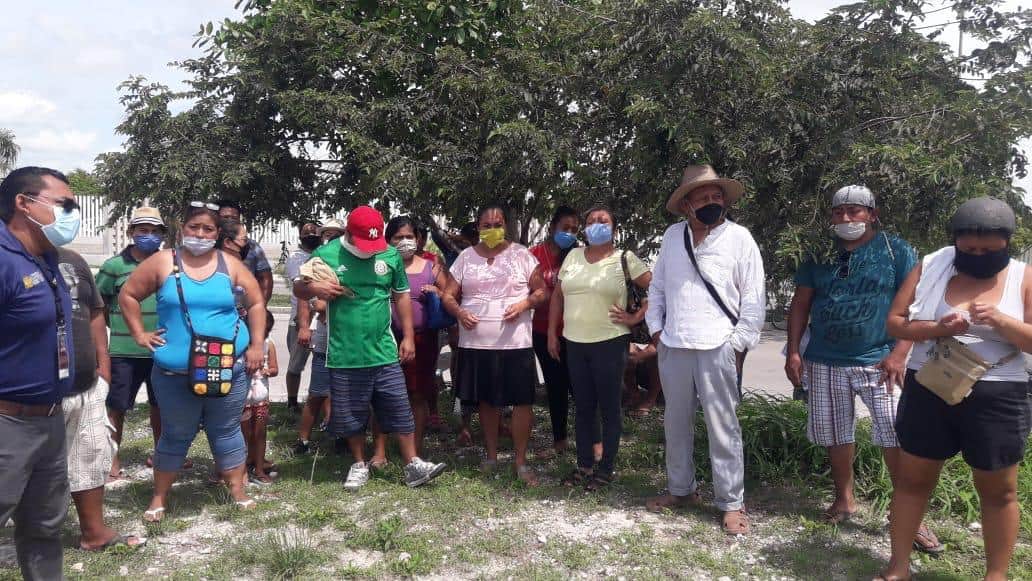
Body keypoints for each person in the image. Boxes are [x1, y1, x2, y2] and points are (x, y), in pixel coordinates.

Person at [879, 197, 1031, 581]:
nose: (977, 255)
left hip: (998, 393)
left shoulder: (1022, 277)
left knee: (998, 491)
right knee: (913, 480)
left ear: (1007, 243)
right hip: (930, 385)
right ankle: (898, 567)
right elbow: (896, 324)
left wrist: (999, 320)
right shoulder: (932, 266)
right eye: (969, 248)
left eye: (988, 250)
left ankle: (995, 575)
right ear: (956, 240)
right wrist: (939, 328)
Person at [784, 186, 942, 552]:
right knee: (835, 435)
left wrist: (901, 352)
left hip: (880, 361)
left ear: (872, 213)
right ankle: (844, 499)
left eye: (854, 211)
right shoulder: (819, 253)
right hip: (824, 359)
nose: (845, 219)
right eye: (838, 213)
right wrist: (794, 351)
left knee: (896, 434)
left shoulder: (895, 250)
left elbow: (917, 304)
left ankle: (908, 514)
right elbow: (800, 303)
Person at [119, 201, 266, 521]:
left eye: (208, 229)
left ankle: (238, 491)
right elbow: (128, 295)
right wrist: (140, 334)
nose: (200, 234)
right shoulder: (161, 262)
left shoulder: (230, 264)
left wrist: (257, 345)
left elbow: (256, 303)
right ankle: (158, 498)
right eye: (193, 227)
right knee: (175, 433)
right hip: (174, 373)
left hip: (227, 366)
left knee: (226, 430)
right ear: (181, 228)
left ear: (217, 233)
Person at [645, 165, 765, 535]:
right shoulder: (671, 237)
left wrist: (739, 342)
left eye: (717, 196)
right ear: (686, 206)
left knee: (722, 426)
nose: (713, 202)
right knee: (675, 424)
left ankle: (731, 502)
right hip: (675, 344)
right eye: (703, 197)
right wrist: (656, 330)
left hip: (718, 345)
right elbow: (658, 287)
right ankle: (681, 490)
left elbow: (753, 295)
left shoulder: (740, 238)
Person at [294, 205, 446, 490]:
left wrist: (409, 337)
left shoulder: (389, 255)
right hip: (344, 353)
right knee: (351, 414)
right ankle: (359, 464)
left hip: (383, 350)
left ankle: (413, 464)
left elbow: (401, 296)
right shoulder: (326, 255)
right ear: (349, 234)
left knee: (399, 407)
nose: (370, 249)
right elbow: (299, 288)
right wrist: (317, 289)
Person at [0, 167, 78, 579]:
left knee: (45, 527)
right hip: (7, 421)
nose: (72, 213)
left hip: (48, 419)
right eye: (64, 204)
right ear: (24, 204)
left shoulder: (46, 258)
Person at [548, 205, 651, 490]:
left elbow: (658, 288)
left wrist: (635, 317)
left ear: (614, 229)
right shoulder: (573, 256)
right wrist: (552, 335)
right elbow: (557, 296)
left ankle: (605, 469)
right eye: (591, 220)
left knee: (609, 408)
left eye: (603, 221)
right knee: (582, 407)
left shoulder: (625, 258)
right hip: (575, 342)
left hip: (610, 341)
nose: (596, 225)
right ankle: (584, 465)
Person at [443, 204, 547, 484]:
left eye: (497, 224)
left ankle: (521, 462)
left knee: (522, 402)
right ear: (478, 227)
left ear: (506, 226)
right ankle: (490, 456)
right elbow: (448, 296)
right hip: (477, 344)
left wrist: (525, 302)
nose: (492, 229)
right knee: (487, 402)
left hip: (516, 343)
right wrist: (460, 312)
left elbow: (542, 291)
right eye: (486, 225)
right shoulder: (466, 257)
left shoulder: (521, 255)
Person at [58, 246, 146, 550]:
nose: (66, 213)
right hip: (25, 393)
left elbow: (95, 311)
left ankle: (94, 533)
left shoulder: (72, 260)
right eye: (59, 203)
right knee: (14, 466)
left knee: (90, 453)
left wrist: (103, 363)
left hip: (84, 383)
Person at [97, 207, 172, 479]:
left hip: (163, 349)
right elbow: (98, 304)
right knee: (116, 407)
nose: (149, 236)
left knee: (161, 406)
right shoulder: (113, 267)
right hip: (124, 351)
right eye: (143, 230)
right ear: (131, 232)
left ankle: (163, 456)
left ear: (163, 235)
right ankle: (112, 458)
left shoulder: (170, 264)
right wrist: (124, 327)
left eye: (154, 231)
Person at [370, 216, 452, 464]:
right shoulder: (379, 265)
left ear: (417, 239)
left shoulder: (431, 267)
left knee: (418, 394)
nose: (405, 242)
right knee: (383, 395)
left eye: (409, 237)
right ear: (388, 240)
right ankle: (380, 452)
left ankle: (414, 452)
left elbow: (450, 294)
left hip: (422, 341)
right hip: (384, 339)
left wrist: (437, 291)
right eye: (398, 237)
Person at [530, 205, 584, 458]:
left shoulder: (580, 255)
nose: (570, 234)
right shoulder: (534, 255)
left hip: (576, 332)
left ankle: (590, 441)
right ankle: (559, 441)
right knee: (555, 386)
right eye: (565, 228)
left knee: (580, 386)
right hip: (543, 332)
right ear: (552, 227)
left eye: (574, 230)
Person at [284, 222, 321, 410]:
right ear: (300, 236)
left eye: (315, 231)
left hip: (322, 319)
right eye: (307, 232)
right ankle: (292, 402)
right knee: (295, 365)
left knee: (322, 364)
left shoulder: (323, 255)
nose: (311, 234)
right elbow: (302, 287)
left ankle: (320, 403)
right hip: (299, 320)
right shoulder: (296, 258)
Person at [243, 312, 277, 484]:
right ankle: (244, 466)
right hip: (244, 398)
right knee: (245, 434)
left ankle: (258, 468)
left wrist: (267, 371)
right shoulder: (241, 345)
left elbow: (275, 368)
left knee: (260, 433)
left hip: (261, 397)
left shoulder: (268, 345)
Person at [293, 298, 330, 455]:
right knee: (316, 395)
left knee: (344, 395)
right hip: (324, 346)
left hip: (350, 344)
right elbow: (309, 299)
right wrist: (304, 326)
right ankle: (303, 441)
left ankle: (342, 438)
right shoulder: (320, 274)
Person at [217, 199, 273, 303]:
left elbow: (265, 278)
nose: (230, 220)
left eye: (234, 218)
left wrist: (260, 307)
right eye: (225, 217)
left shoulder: (252, 247)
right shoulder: (207, 245)